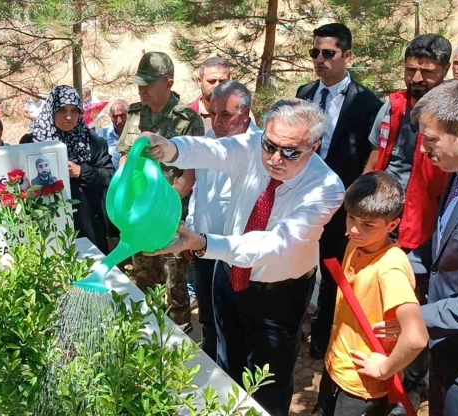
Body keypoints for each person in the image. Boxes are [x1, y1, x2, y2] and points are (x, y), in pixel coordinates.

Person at [144, 98, 345, 416]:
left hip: (279, 295)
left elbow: (276, 245)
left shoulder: (327, 188)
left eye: (291, 152)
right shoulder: (254, 144)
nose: (276, 158)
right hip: (230, 277)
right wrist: (170, 148)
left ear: (315, 146)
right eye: (271, 146)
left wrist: (203, 243)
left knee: (269, 383)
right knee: (227, 363)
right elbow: (214, 151)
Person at [374, 81, 458, 416]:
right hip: (447, 354)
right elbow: (440, 250)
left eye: (431, 138)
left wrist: (416, 319)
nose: (423, 149)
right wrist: (391, 267)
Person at [363, 34, 453, 412]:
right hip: (383, 220)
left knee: (411, 310)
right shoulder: (393, 105)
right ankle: (376, 372)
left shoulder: (451, 113)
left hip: (424, 231)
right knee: (377, 303)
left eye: (427, 71)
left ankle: (410, 387)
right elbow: (374, 158)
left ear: (444, 71)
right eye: (411, 68)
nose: (417, 77)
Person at [296, 23, 384, 359]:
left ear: (347, 55)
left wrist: (354, 202)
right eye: (314, 52)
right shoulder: (304, 93)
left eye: (328, 53)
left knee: (332, 273)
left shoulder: (367, 103)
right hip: (301, 199)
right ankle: (297, 326)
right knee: (298, 266)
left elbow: (370, 157)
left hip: (341, 204)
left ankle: (323, 338)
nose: (319, 59)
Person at [316, 172, 428, 416]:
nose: (354, 230)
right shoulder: (356, 243)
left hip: (362, 386)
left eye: (367, 224)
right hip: (336, 368)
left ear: (392, 225)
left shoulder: (390, 267)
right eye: (351, 218)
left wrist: (384, 369)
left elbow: (417, 337)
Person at [115, 51, 204, 332]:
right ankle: (149, 338)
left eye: (148, 84)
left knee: (174, 287)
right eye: (139, 84)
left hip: (170, 220)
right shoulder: (134, 115)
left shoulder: (188, 120)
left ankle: (182, 346)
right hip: (137, 217)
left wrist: (159, 210)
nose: (142, 90)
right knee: (143, 281)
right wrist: (124, 196)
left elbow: (189, 177)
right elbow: (125, 160)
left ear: (168, 83)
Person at [184, 80, 259, 360]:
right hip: (203, 244)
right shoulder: (205, 144)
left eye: (225, 115)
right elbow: (199, 190)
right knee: (207, 316)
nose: (217, 122)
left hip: (236, 251)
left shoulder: (261, 148)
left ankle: (237, 382)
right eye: (213, 114)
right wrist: (192, 227)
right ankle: (211, 366)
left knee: (236, 324)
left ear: (246, 112)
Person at [30, 85, 115, 254]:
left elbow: (110, 176)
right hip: (48, 225)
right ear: (51, 110)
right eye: (62, 110)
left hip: (89, 225)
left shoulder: (92, 141)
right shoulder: (33, 143)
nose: (69, 117)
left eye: (74, 111)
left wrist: (82, 171)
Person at [189, 57, 230, 132]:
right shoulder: (186, 115)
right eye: (212, 81)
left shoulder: (240, 114)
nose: (217, 86)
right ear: (199, 81)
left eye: (222, 81)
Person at [96, 99, 128, 169]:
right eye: (115, 117)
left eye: (122, 115)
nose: (119, 121)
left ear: (128, 113)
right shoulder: (101, 134)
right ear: (110, 116)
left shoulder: (136, 133)